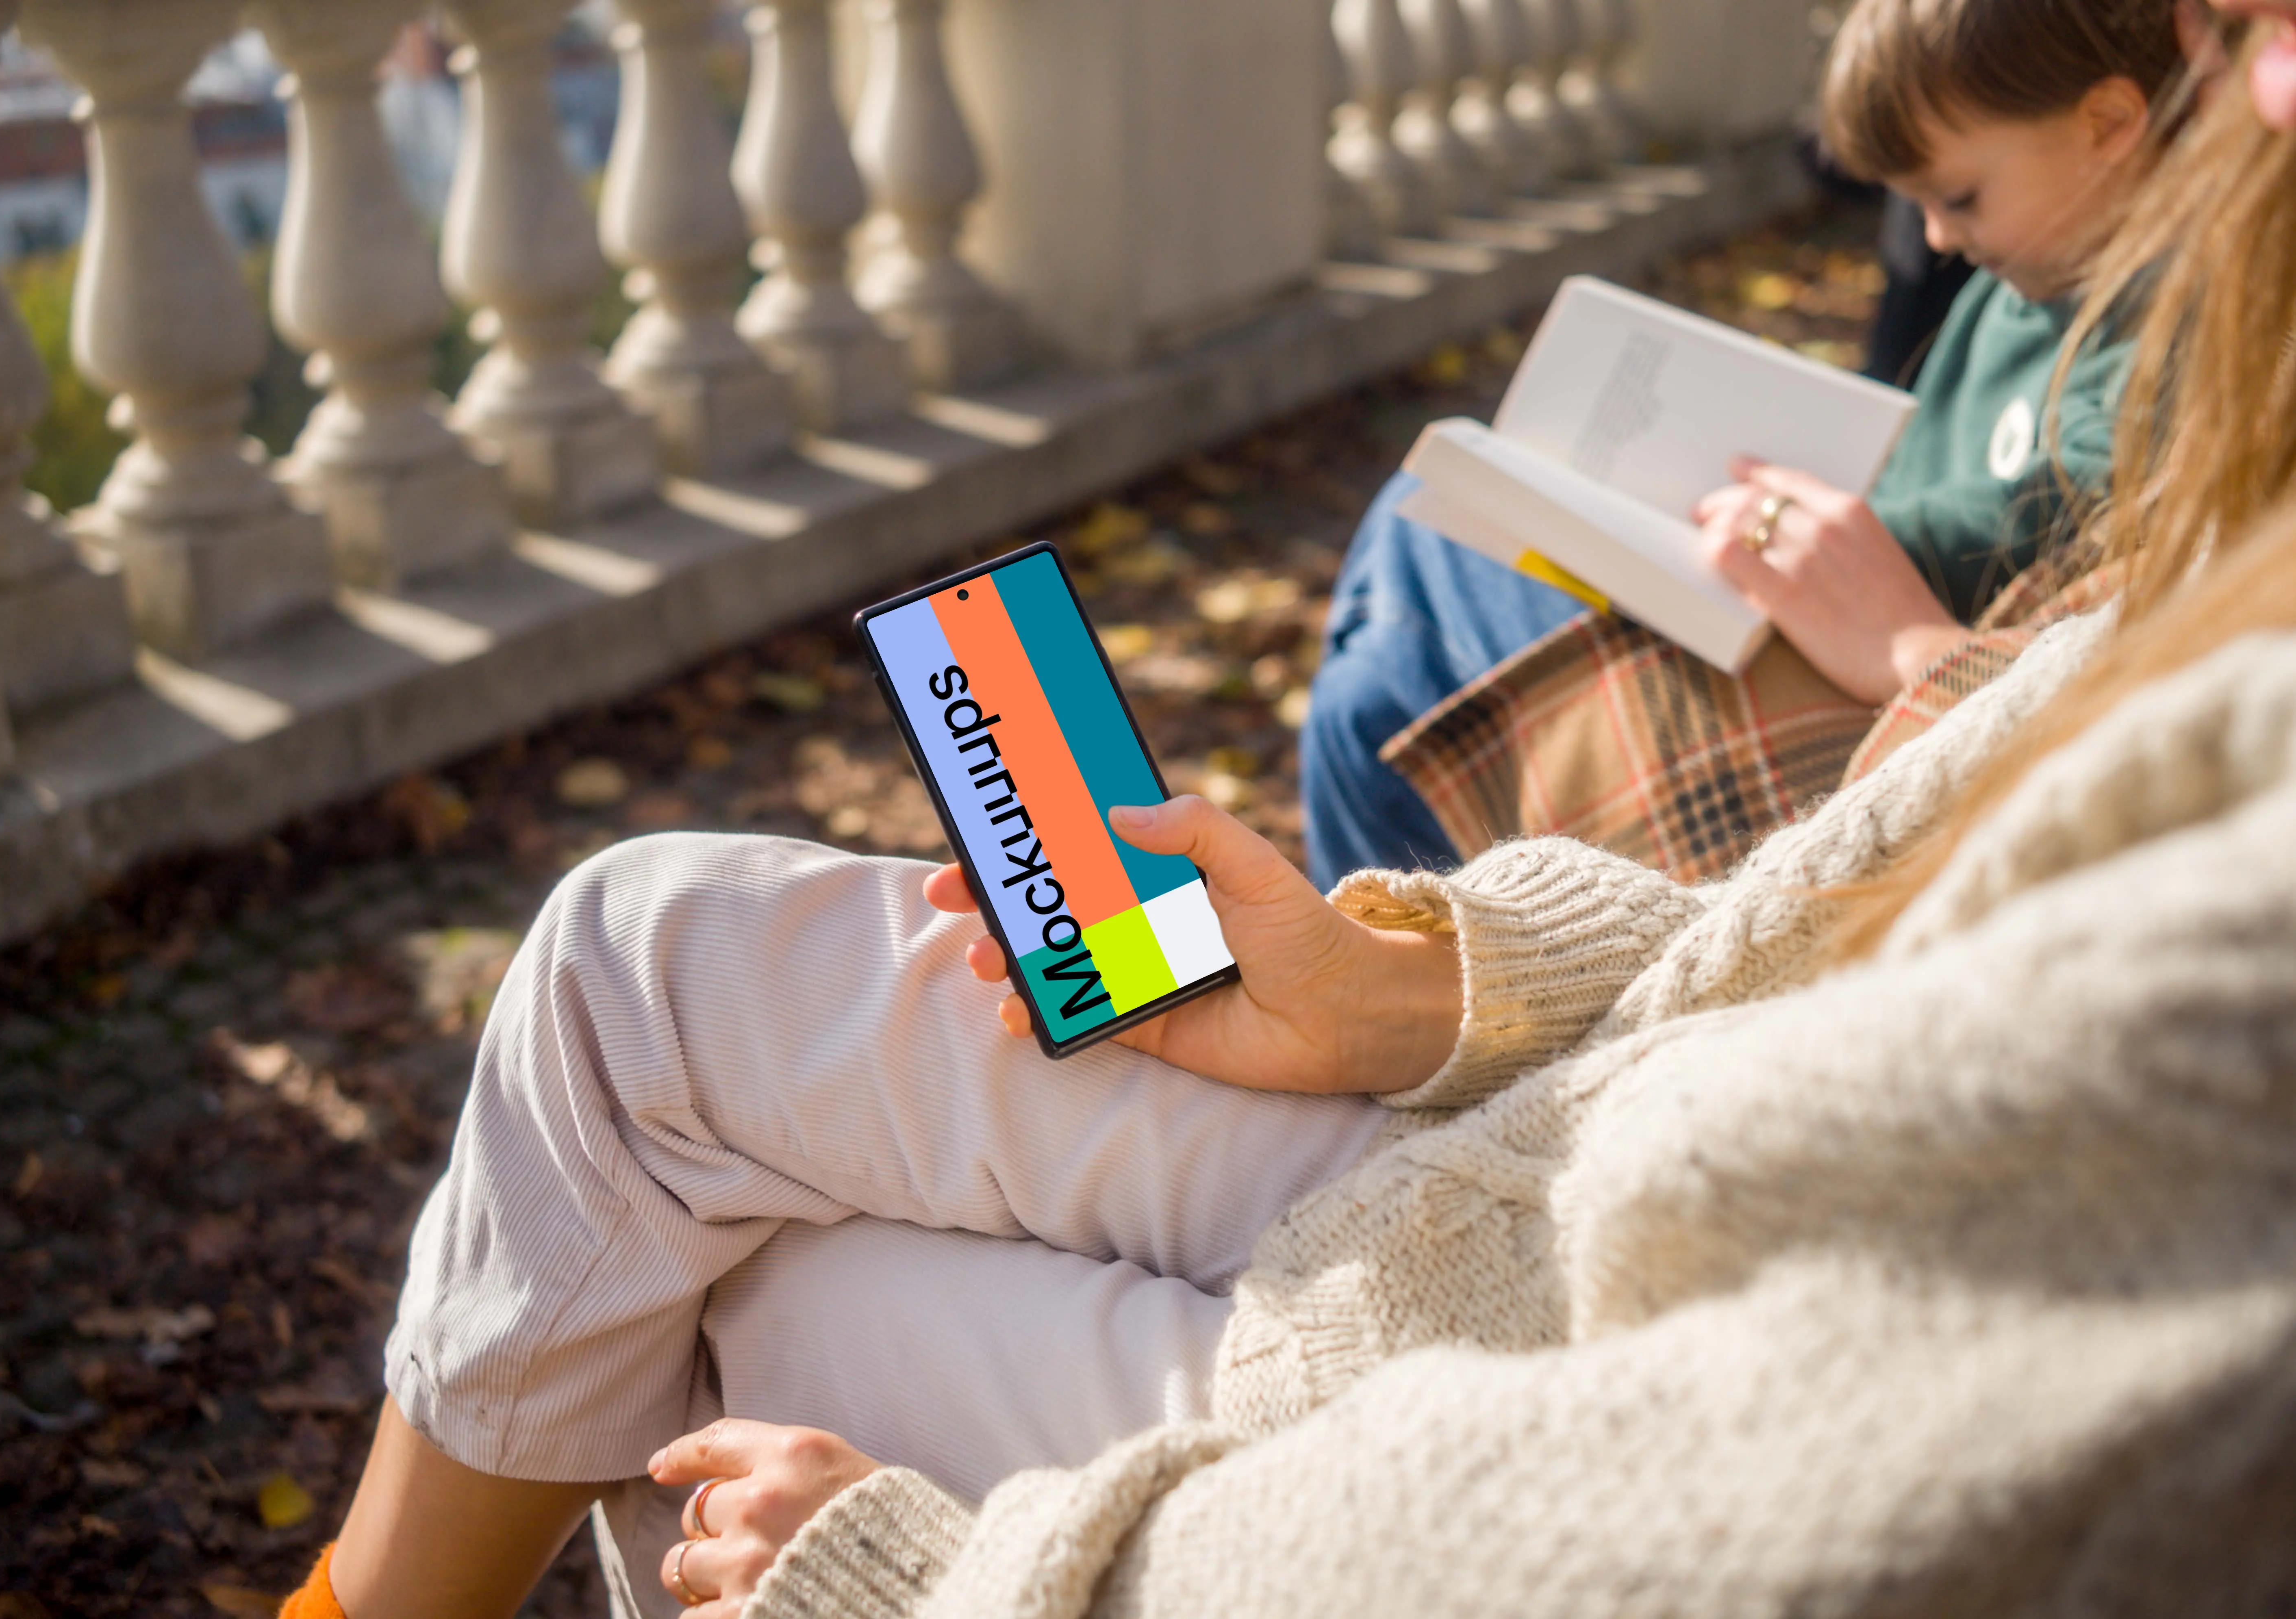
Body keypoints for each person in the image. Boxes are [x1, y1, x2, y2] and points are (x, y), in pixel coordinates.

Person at [275, 12, 2296, 1619]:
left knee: (750, 1277)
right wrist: (1408, 986)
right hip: (1554, 1140)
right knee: (650, 974)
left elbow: (1751, 1488)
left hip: (1534, 1325)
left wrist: (946, 1577)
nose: (2248, 77)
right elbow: (1832, 916)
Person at [1299, 0, 2190, 892]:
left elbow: (2055, 502)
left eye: (1957, 197)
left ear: (2110, 124)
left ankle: (1230, 977)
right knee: (1364, 699)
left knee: (1414, 553)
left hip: (1882, 685)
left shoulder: (2178, 311)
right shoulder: (2036, 276)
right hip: (1854, 628)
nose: (1937, 237)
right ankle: (1318, 992)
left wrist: (1828, 541)